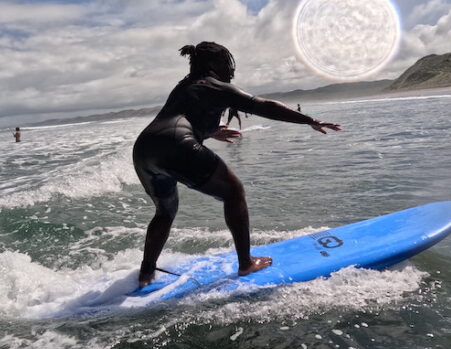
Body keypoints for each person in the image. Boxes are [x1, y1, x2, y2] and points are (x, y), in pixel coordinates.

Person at [133, 41, 341, 287]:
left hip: (144, 150)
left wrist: (210, 132)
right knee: (233, 191)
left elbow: (182, 117)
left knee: (165, 212)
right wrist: (309, 120)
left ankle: (146, 273)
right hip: (176, 144)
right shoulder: (214, 85)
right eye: (226, 63)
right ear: (213, 64)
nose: (231, 69)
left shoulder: (184, 86)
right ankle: (246, 263)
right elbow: (264, 106)